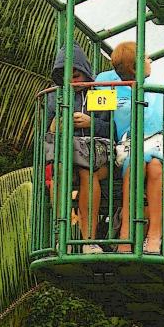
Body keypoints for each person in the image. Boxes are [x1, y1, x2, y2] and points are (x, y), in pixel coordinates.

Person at [95, 41, 164, 254]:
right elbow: (158, 119)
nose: (150, 61)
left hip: (152, 150)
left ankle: (152, 236)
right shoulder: (120, 91)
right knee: (138, 163)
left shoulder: (142, 88)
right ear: (136, 66)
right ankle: (128, 233)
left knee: (155, 165)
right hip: (135, 148)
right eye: (146, 58)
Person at [45, 44, 110, 254]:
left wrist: (92, 123)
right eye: (68, 77)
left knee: (87, 172)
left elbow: (113, 130)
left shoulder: (101, 94)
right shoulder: (55, 97)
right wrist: (57, 125)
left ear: (86, 73)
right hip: (67, 156)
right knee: (59, 175)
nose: (74, 82)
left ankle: (88, 240)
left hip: (97, 158)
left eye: (77, 75)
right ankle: (61, 236)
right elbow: (46, 133)